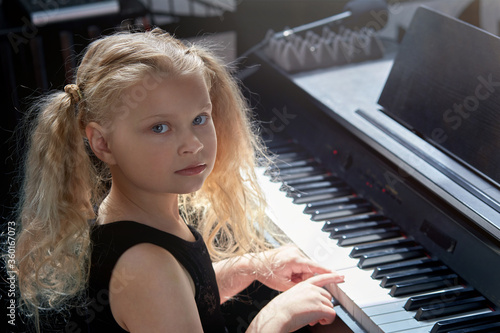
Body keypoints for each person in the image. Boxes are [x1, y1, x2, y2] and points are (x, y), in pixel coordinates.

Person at [14, 28, 344, 332]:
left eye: (199, 119)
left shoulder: (142, 223)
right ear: (103, 143)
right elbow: (163, 287)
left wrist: (248, 267)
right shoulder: (145, 267)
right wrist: (275, 319)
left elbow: (183, 294)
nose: (194, 144)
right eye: (160, 127)